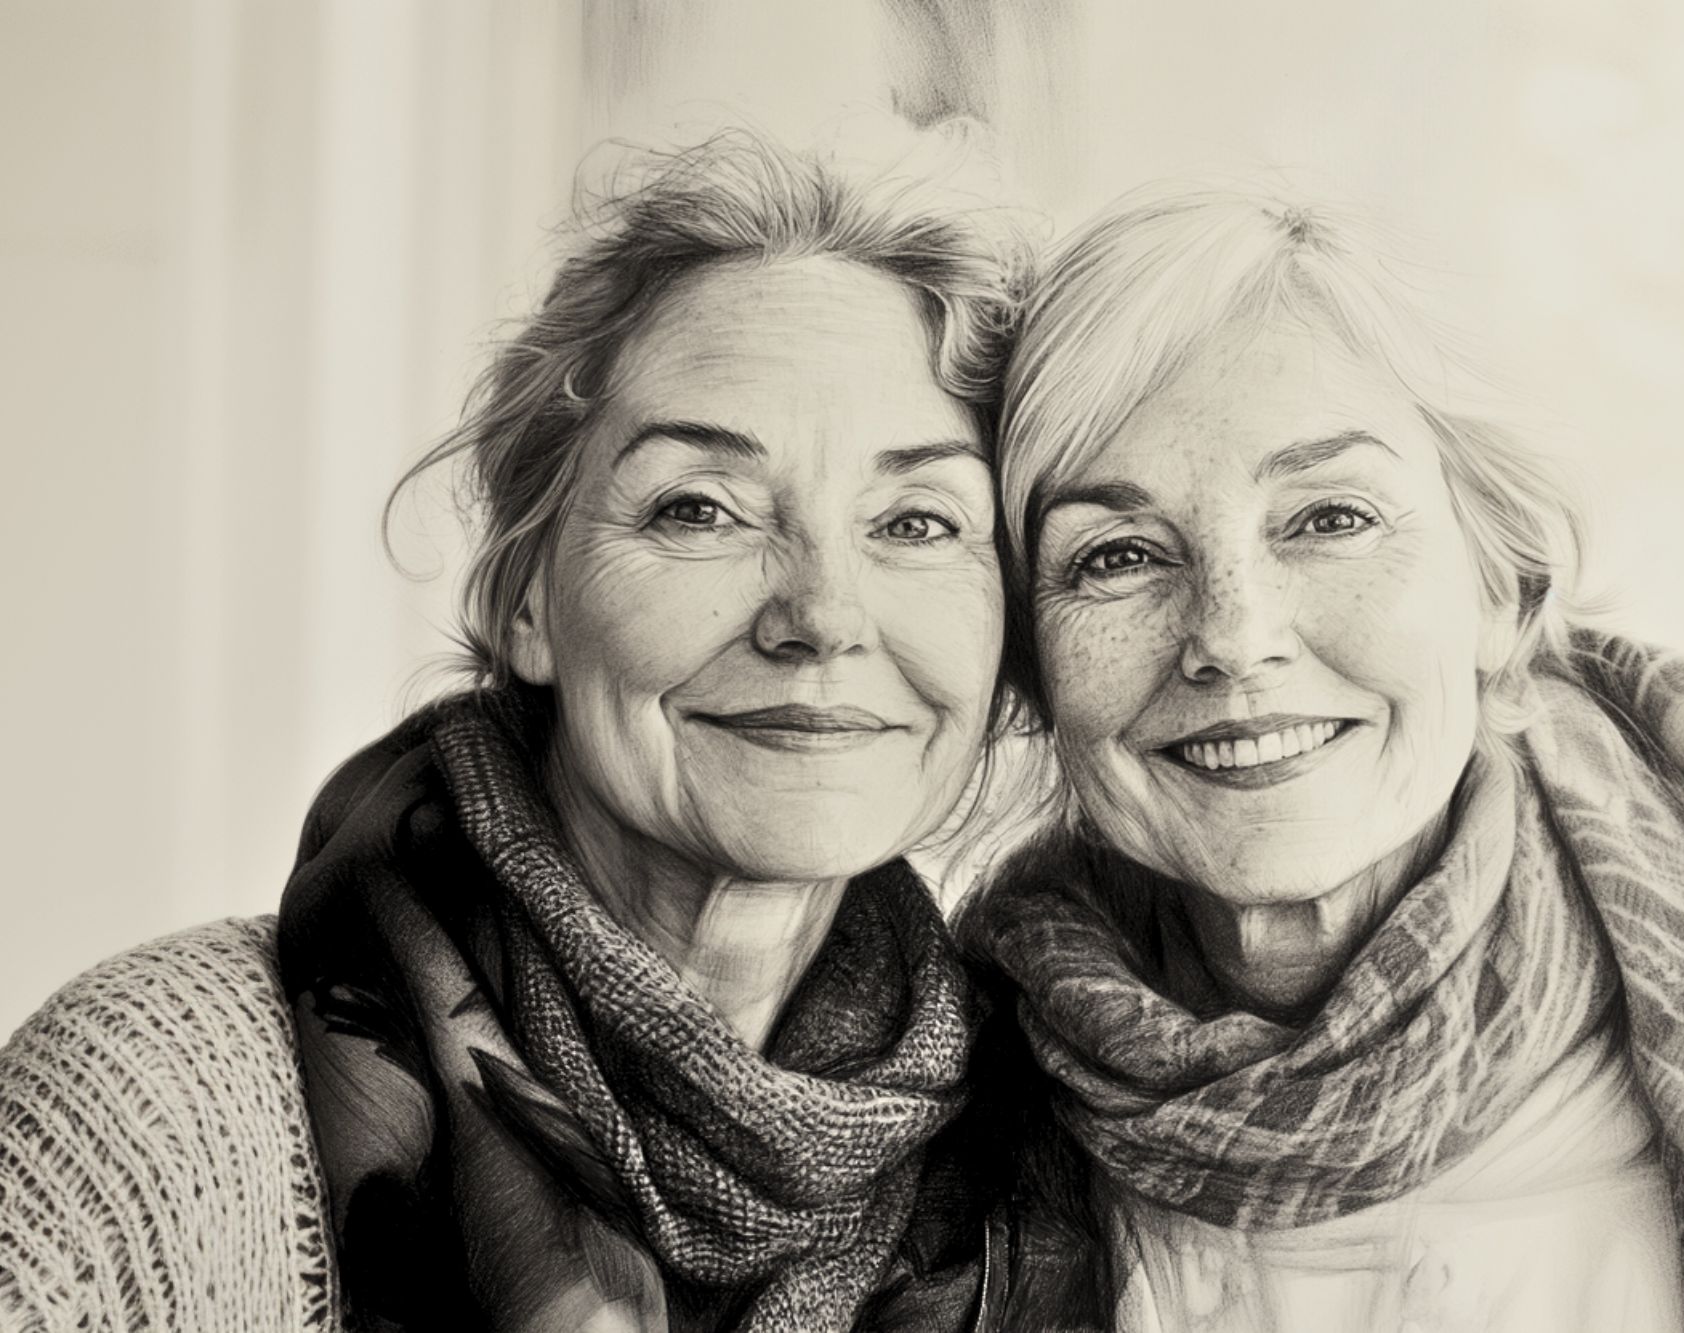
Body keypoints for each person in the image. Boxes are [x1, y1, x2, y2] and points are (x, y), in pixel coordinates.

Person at [0, 131, 1026, 1333]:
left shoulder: (1044, 1168)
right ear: (522, 599)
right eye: (698, 508)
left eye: (916, 522)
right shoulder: (159, 1105)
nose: (821, 617)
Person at [962, 187, 1684, 1332]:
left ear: (1500, 591)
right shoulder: (959, 1100)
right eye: (1115, 554)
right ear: (1028, 670)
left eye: (1329, 518)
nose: (1234, 636)